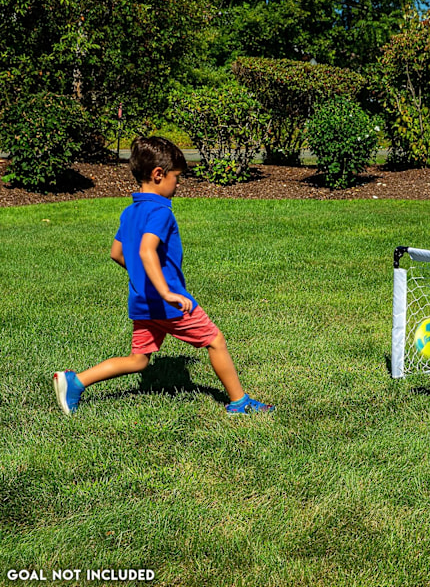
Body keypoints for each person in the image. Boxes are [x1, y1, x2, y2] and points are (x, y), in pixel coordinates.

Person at [53, 136, 273, 416]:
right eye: (176, 178)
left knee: (139, 360)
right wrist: (167, 292)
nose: (178, 185)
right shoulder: (160, 211)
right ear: (159, 175)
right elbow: (146, 251)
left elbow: (117, 254)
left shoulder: (130, 211)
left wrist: (144, 279)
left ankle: (76, 381)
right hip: (167, 302)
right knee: (215, 340)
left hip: (143, 301)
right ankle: (239, 402)